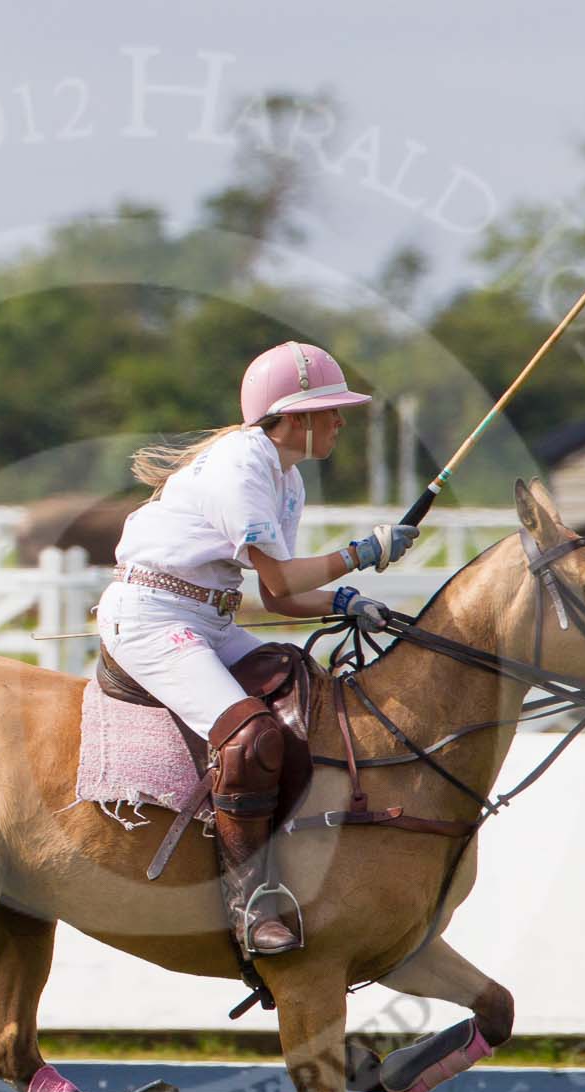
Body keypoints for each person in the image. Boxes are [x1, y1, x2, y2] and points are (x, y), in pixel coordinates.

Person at [97, 340, 418, 956]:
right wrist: (362, 554)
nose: (341, 422)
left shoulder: (288, 479)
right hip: (152, 618)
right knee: (250, 737)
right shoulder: (243, 461)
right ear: (295, 416)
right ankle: (249, 906)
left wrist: (346, 602)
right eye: (332, 411)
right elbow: (279, 580)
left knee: (305, 692)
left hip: (209, 621)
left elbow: (281, 599)